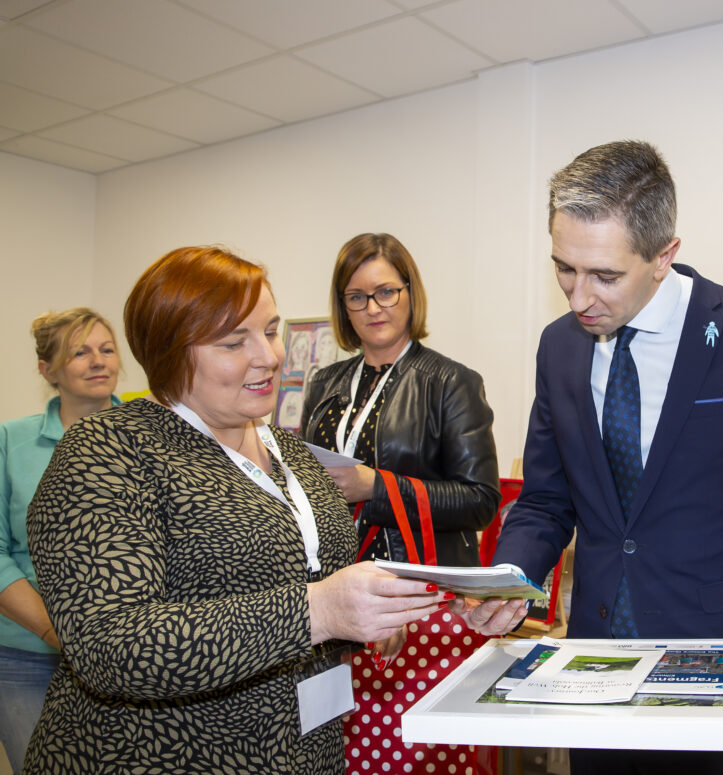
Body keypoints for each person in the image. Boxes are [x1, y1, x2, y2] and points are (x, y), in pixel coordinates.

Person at [457, 140, 723, 775]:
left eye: (605, 276)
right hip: (593, 670)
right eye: (564, 268)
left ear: (664, 254)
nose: (577, 298)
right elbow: (545, 500)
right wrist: (512, 574)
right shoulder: (558, 348)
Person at [23, 247, 453, 774]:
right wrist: (319, 611)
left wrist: (403, 610)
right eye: (234, 342)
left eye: (271, 331)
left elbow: (316, 577)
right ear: (170, 352)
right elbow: (113, 645)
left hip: (304, 751)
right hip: (159, 755)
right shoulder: (110, 450)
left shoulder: (289, 452)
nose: (270, 356)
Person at [301, 232, 500, 772]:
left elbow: (480, 501)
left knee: (418, 755)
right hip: (340, 601)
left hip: (425, 600)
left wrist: (376, 487)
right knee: (345, 755)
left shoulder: (450, 382)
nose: (374, 308)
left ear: (411, 293)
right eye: (357, 296)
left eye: (386, 291)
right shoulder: (325, 384)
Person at [0, 308, 121, 775]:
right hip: (27, 658)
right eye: (80, 352)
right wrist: (56, 631)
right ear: (47, 370)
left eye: (107, 349)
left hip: (121, 658)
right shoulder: (12, 441)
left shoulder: (147, 438)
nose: (98, 361)